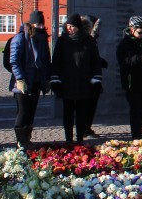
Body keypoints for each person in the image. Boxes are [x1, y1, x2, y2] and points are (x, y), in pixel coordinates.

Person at [50, 13, 103, 145]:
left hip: (84, 83)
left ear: (78, 27)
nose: (70, 29)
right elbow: (56, 61)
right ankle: (68, 139)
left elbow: (95, 61)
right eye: (68, 26)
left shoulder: (88, 41)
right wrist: (55, 80)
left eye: (72, 26)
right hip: (67, 83)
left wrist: (96, 80)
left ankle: (80, 139)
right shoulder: (62, 41)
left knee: (81, 113)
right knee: (67, 113)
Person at [9, 10, 51, 149]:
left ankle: (27, 139)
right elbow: (14, 61)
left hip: (37, 81)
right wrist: (20, 78)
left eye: (41, 24)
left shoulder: (43, 39)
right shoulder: (20, 38)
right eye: (37, 23)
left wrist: (46, 79)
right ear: (31, 23)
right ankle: (20, 141)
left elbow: (46, 60)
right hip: (23, 81)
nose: (39, 26)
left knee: (31, 111)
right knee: (22, 111)